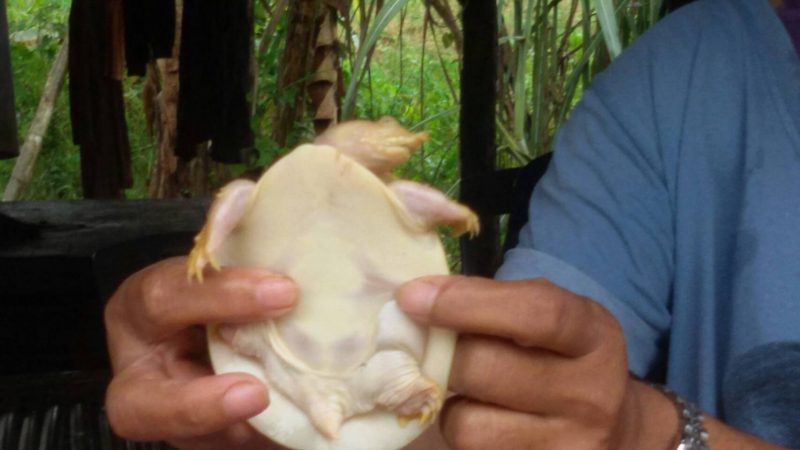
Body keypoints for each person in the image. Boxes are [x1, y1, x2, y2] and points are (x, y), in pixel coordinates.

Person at [104, 0, 799, 448]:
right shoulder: (685, 76)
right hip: (291, 360)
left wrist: (646, 433)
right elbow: (499, 410)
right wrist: (271, 426)